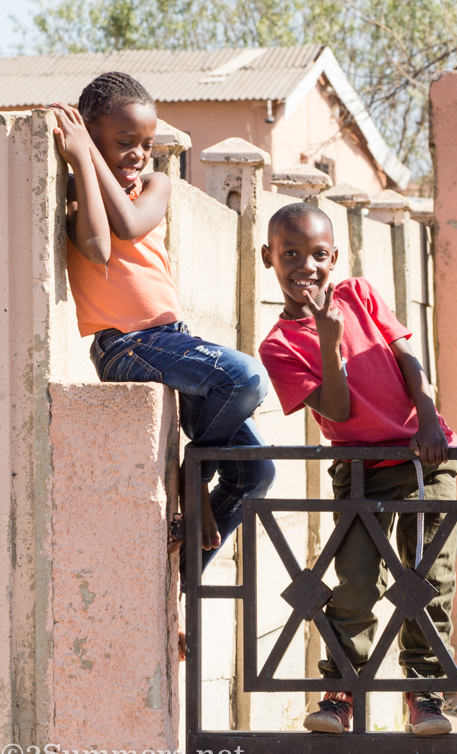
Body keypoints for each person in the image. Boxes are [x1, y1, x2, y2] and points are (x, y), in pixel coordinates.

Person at [50, 72, 274, 564]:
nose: (138, 155)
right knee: (245, 376)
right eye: (123, 142)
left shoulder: (157, 183)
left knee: (256, 472)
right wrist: (83, 162)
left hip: (170, 342)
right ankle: (192, 481)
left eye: (146, 144)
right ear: (89, 133)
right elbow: (97, 245)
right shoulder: (72, 194)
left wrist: (89, 154)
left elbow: (129, 226)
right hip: (125, 347)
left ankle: (186, 576)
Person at [258, 203, 457, 737]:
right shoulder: (278, 346)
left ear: (335, 258)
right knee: (354, 586)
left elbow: (408, 360)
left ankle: (426, 696)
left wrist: (431, 420)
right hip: (360, 471)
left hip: (424, 459)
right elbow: (340, 411)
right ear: (268, 259)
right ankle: (342, 694)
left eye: (319, 254)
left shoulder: (361, 295)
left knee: (427, 580)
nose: (307, 266)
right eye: (291, 254)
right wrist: (327, 342)